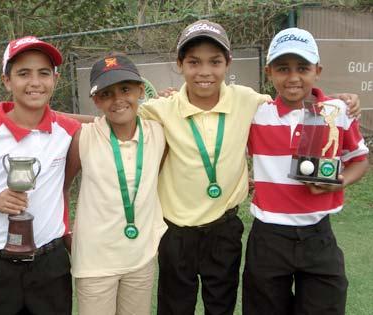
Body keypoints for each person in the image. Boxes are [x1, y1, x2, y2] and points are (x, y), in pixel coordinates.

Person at [63, 20, 361, 314]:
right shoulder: (161, 109)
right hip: (175, 232)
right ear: (180, 64)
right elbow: (116, 117)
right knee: (175, 306)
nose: (204, 72)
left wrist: (340, 101)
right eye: (194, 62)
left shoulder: (250, 102)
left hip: (224, 228)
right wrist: (45, 116)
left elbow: (297, 99)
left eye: (214, 62)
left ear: (227, 63)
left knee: (221, 305)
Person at [243, 27, 369, 315]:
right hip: (268, 237)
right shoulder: (255, 113)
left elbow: (360, 160)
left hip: (318, 235)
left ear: (317, 71)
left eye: (303, 67)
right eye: (283, 68)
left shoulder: (336, 112)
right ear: (269, 72)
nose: (293, 77)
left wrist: (341, 182)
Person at [0, 36, 80, 315]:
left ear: (55, 80)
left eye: (43, 73)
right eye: (23, 73)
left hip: (51, 263)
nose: (35, 82)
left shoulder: (68, 130)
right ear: (7, 81)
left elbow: (107, 120)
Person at [64, 54, 167, 315]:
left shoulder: (159, 132)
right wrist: (65, 232)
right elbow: (61, 187)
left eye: (125, 89)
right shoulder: (84, 137)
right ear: (96, 100)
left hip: (140, 259)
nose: (118, 99)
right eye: (107, 94)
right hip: (95, 262)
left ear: (140, 91)